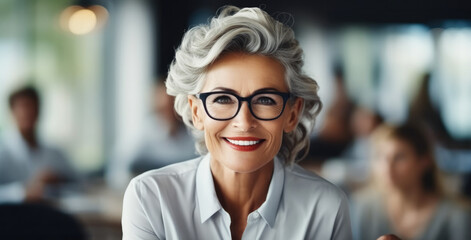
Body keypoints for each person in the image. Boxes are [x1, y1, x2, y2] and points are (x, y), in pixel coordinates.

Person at [122, 6, 352, 240]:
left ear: (292, 114)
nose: (244, 122)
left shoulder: (326, 207)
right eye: (223, 99)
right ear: (197, 112)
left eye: (265, 99)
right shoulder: (151, 198)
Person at [351, 123, 471, 240]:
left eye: (399, 157)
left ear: (424, 161)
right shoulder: (363, 208)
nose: (387, 168)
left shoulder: (457, 216)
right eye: (380, 157)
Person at [0, 86, 77, 203]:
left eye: (33, 107)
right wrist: (22, 192)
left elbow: (79, 181)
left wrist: (59, 179)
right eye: (24, 107)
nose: (29, 112)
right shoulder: (3, 151)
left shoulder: (54, 152)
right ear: (12, 111)